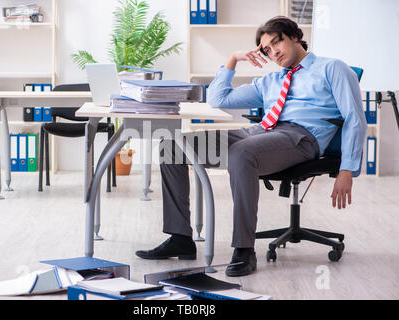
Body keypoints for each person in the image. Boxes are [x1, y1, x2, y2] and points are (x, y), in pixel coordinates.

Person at [135, 16, 367, 277]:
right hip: (260, 132)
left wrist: (347, 169)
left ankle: (244, 250)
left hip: (301, 138)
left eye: (276, 42)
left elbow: (354, 118)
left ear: (294, 36)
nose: (273, 52)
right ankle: (180, 238)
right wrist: (233, 58)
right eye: (266, 50)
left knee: (242, 152)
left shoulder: (332, 68)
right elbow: (217, 98)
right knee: (172, 146)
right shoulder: (269, 82)